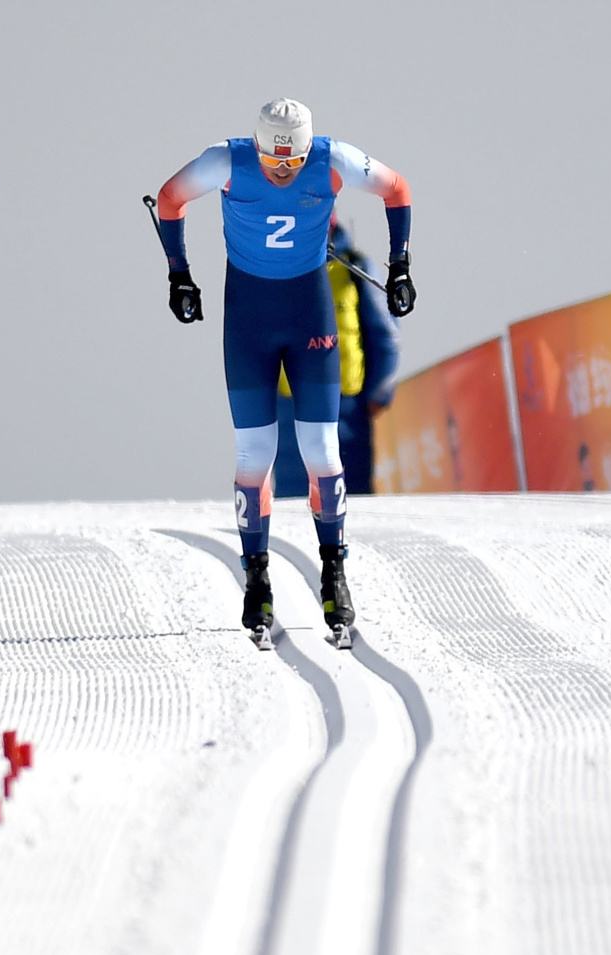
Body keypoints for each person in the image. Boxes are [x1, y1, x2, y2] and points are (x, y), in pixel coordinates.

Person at [154, 98, 415, 642]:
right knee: (255, 456)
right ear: (257, 147)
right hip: (248, 323)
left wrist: (400, 266)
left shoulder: (332, 159)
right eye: (273, 161)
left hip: (309, 317)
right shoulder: (226, 161)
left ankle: (335, 574)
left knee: (322, 451)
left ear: (306, 150)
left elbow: (396, 189)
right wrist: (179, 275)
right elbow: (171, 198)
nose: (281, 171)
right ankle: (257, 581)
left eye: (292, 162)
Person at [274, 217, 400, 499]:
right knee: (295, 497)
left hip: (346, 406)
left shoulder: (356, 268)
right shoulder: (273, 271)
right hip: (291, 406)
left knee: (350, 491)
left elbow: (386, 338)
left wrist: (378, 393)